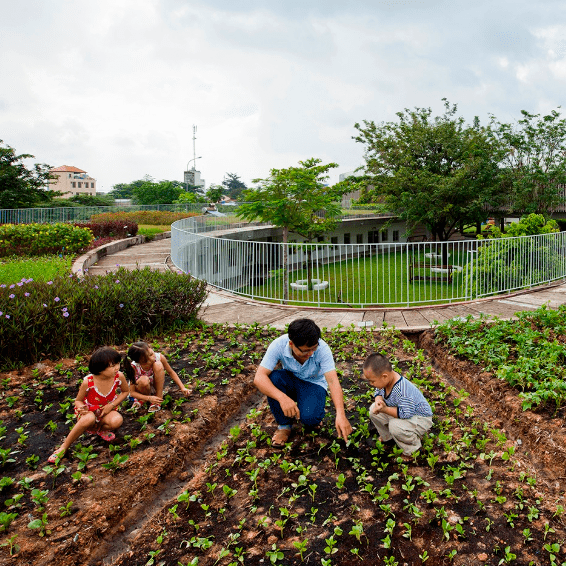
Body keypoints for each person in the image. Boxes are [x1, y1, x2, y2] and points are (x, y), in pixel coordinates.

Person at [254, 318, 352, 447]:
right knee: (274, 378)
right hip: (290, 380)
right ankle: (284, 426)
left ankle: (312, 414)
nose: (310, 353)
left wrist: (341, 414)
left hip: (313, 385)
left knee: (310, 420)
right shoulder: (278, 345)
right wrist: (282, 398)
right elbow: (259, 378)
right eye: (305, 351)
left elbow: (333, 382)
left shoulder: (322, 349)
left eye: (313, 349)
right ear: (291, 344)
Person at [48, 347, 129, 463]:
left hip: (107, 410)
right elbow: (78, 400)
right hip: (90, 410)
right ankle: (64, 447)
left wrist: (112, 405)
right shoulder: (89, 382)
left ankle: (99, 429)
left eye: (118, 363)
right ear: (99, 369)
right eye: (112, 366)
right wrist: (81, 408)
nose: (117, 367)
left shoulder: (119, 376)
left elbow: (125, 391)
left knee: (117, 420)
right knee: (89, 419)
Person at [362, 353, 433, 456]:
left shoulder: (401, 390)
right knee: (373, 410)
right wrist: (378, 400)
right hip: (400, 411)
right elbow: (378, 391)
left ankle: (413, 449)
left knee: (395, 426)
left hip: (419, 418)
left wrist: (385, 409)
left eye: (372, 381)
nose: (371, 384)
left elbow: (406, 413)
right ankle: (388, 437)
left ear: (384, 376)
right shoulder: (385, 381)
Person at [124, 341, 189, 412]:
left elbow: (171, 372)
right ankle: (143, 399)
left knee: (158, 365)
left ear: (150, 348)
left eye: (151, 354)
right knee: (144, 380)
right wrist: (148, 398)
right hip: (141, 390)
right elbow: (132, 392)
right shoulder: (134, 367)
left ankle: (158, 397)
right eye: (146, 361)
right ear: (139, 362)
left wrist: (182, 387)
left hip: (154, 387)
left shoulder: (159, 357)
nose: (152, 359)